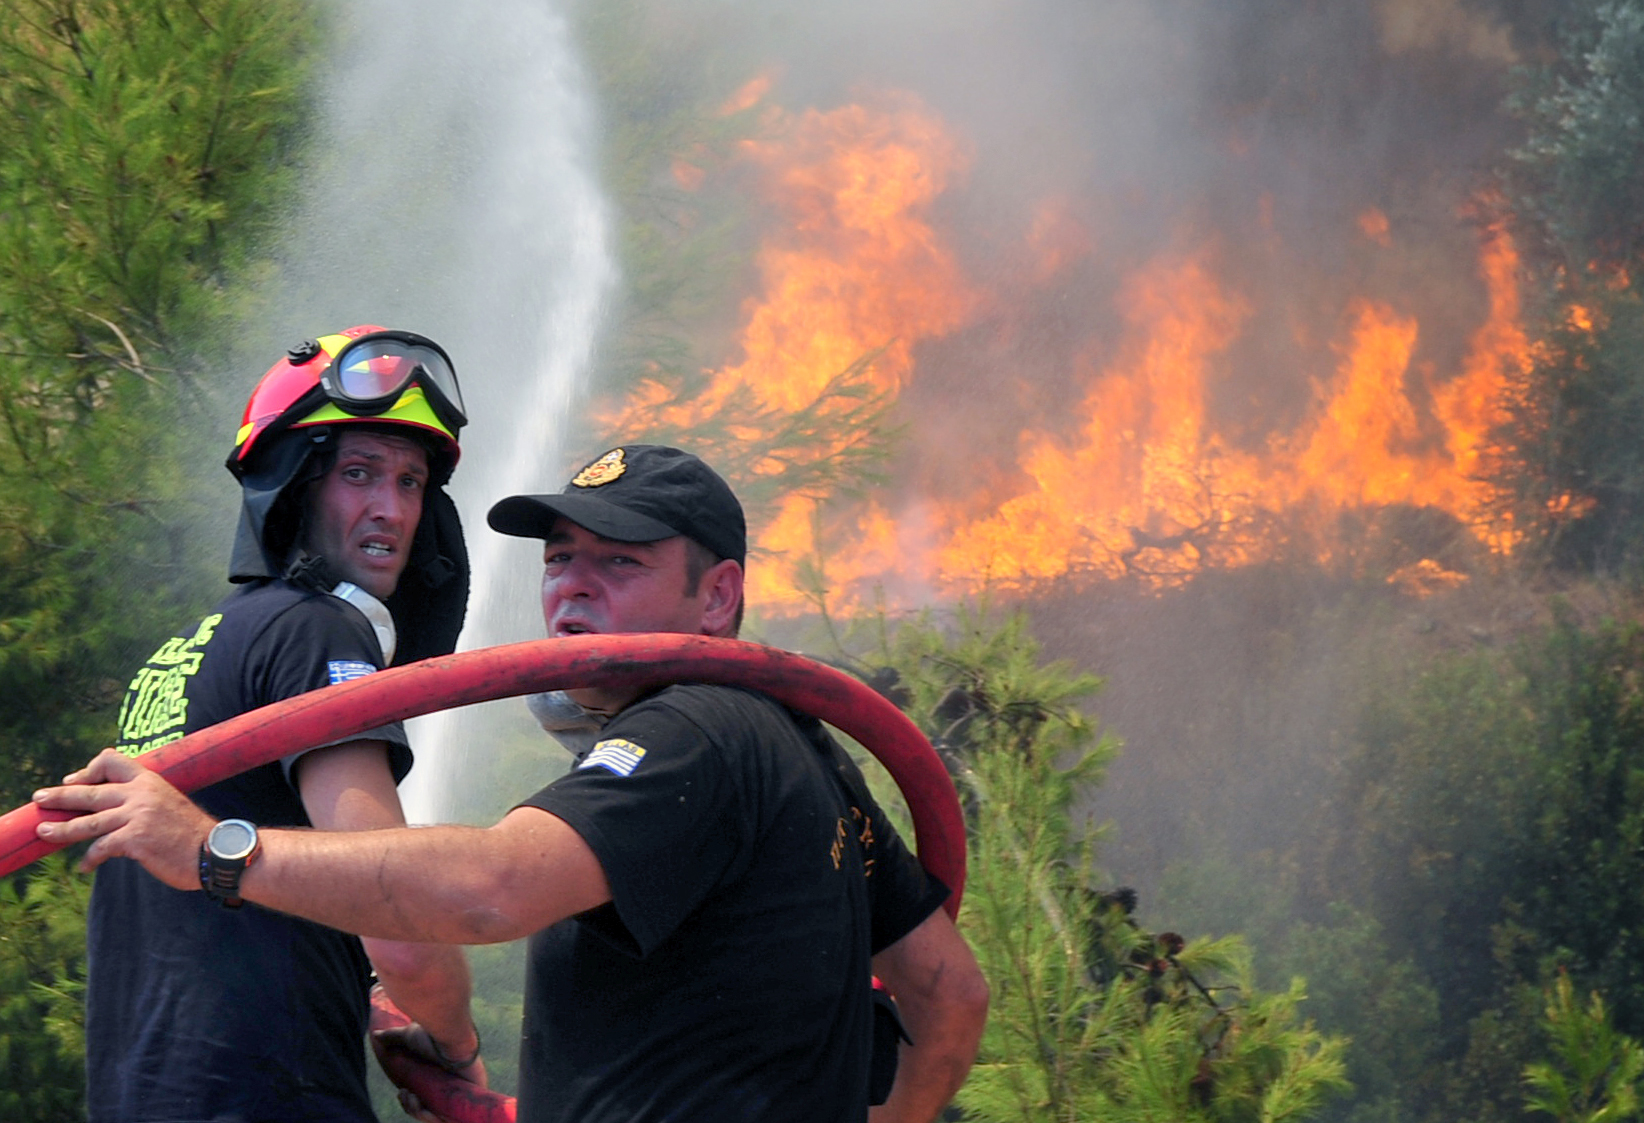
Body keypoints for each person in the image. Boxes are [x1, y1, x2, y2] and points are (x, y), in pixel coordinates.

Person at [37, 444, 990, 1123]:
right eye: (559, 560)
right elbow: (949, 992)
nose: (572, 587)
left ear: (718, 595)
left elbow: (491, 887)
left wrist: (211, 847)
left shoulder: (695, 728)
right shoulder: (799, 745)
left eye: (619, 562)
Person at [77, 326, 487, 1122]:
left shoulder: (179, 658)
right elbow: (394, 909)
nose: (392, 509)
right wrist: (456, 1048)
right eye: (359, 474)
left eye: (410, 482)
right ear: (297, 487)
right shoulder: (317, 632)